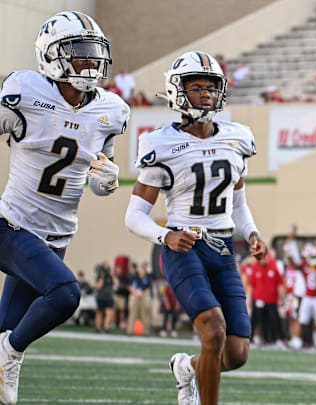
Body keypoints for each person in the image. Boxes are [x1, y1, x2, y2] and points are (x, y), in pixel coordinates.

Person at [124, 51, 266, 405]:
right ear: (178, 93)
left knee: (236, 354)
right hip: (183, 250)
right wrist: (166, 236)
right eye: (197, 87)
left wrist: (251, 233)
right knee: (213, 331)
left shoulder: (237, 138)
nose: (205, 94)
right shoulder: (161, 143)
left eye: (211, 88)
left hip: (223, 250)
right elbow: (134, 216)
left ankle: (186, 368)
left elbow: (238, 204)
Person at [0, 11, 127, 404]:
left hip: (57, 238)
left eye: (94, 53)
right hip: (13, 226)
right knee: (66, 294)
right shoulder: (26, 92)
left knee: (4, 331)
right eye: (80, 52)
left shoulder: (111, 110)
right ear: (52, 56)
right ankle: (10, 353)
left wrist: (105, 182)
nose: (90, 61)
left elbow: (98, 173)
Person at [126, 262, 153, 335]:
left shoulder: (148, 278)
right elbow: (130, 286)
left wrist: (142, 294)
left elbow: (149, 289)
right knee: (132, 313)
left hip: (144, 296)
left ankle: (145, 331)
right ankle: (129, 331)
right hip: (135, 295)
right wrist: (136, 294)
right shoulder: (134, 277)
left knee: (144, 314)